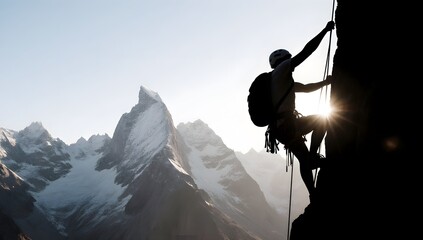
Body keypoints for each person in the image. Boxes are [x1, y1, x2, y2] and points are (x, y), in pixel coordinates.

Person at [268, 21, 335, 199]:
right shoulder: (282, 71)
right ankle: (313, 156)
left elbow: (305, 87)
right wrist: (325, 31)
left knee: (303, 160)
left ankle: (313, 194)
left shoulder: (280, 82)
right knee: (323, 120)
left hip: (281, 129)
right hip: (288, 125)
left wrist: (325, 83)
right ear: (283, 61)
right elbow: (307, 51)